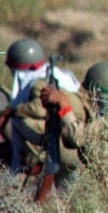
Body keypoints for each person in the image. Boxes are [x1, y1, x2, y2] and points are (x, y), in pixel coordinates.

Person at [2, 38, 84, 178]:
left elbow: (38, 109)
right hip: (74, 141)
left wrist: (12, 112)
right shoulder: (64, 78)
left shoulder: (39, 82)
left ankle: (33, 163)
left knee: (21, 122)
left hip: (67, 143)